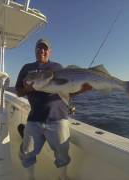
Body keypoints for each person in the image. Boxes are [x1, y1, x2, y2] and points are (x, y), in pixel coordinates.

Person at [15, 38, 91, 180]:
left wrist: (82, 90)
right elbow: (18, 92)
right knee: (27, 152)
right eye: (39, 48)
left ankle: (63, 176)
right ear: (35, 50)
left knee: (62, 153)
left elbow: (67, 91)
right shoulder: (26, 68)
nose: (42, 51)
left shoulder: (57, 67)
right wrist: (27, 89)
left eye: (45, 48)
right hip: (34, 118)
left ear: (49, 51)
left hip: (58, 117)